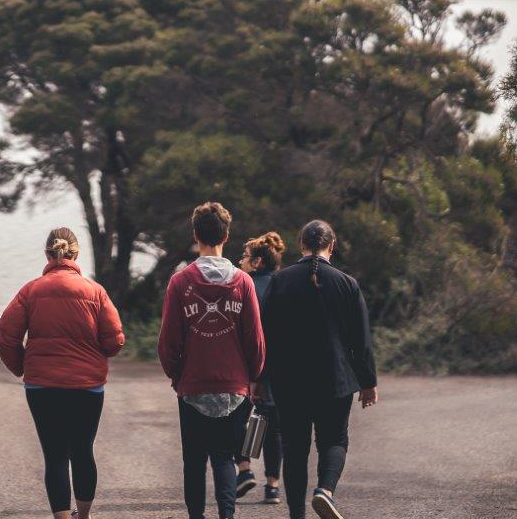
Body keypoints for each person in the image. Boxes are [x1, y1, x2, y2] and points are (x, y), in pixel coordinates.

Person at [0, 227, 125, 519]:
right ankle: (84, 516)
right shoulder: (95, 291)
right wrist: (97, 355)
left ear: (47, 254)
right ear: (76, 254)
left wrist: (22, 367)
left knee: (54, 455)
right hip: (87, 386)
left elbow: (5, 338)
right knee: (83, 451)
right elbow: (114, 340)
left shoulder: (31, 290)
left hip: (42, 385)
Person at [157, 202, 266, 519]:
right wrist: (253, 375)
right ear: (226, 235)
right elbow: (255, 339)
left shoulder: (180, 282)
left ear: (195, 235)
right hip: (234, 386)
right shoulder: (243, 282)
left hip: (192, 384)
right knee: (224, 459)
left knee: (193, 460)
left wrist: (176, 374)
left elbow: (168, 340)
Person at [264, 220, 378, 519]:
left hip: (289, 382)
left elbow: (266, 335)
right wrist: (368, 382)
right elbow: (361, 340)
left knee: (294, 449)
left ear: (301, 244)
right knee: (334, 441)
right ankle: (325, 491)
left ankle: (297, 515)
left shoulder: (280, 281)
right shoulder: (347, 284)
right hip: (335, 380)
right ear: (332, 245)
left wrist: (259, 378)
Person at [235, 232, 286, 505]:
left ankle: (244, 469)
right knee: (272, 426)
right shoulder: (283, 285)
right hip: (276, 367)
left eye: (244, 257)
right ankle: (273, 487)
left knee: (235, 419)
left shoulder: (243, 286)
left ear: (256, 262)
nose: (240, 261)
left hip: (245, 365)